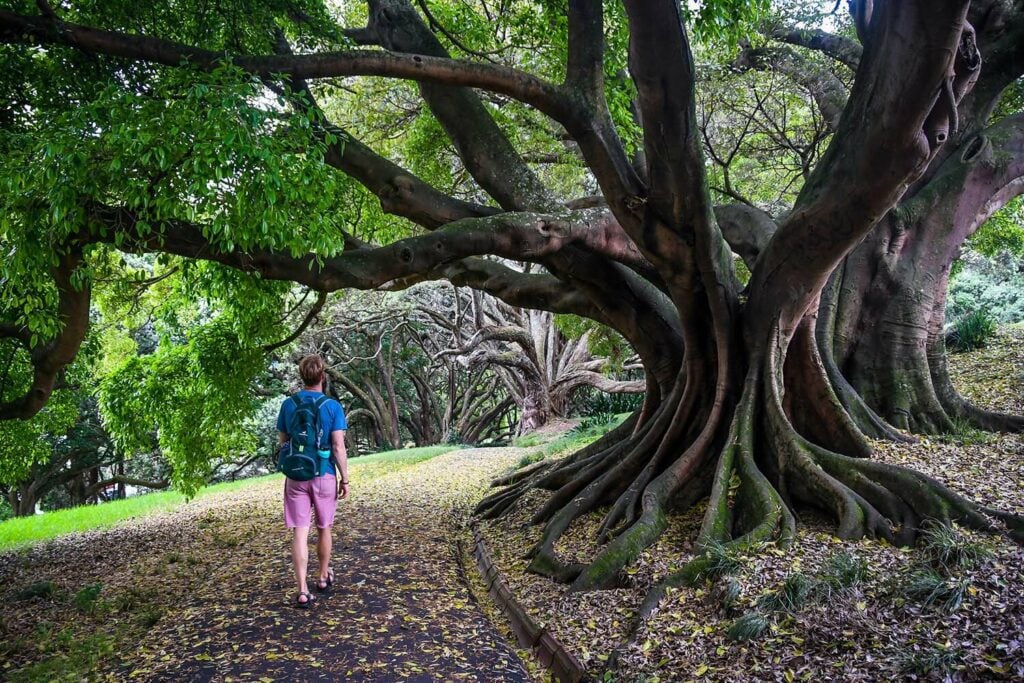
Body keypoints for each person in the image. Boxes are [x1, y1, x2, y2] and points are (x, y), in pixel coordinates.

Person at [277, 354, 350, 608]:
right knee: (324, 527)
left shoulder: (288, 405)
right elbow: (339, 446)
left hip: (296, 476)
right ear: (322, 376)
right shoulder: (332, 406)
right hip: (324, 474)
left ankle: (302, 589)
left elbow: (283, 442)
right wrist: (345, 479)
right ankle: (321, 576)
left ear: (302, 376)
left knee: (299, 531)